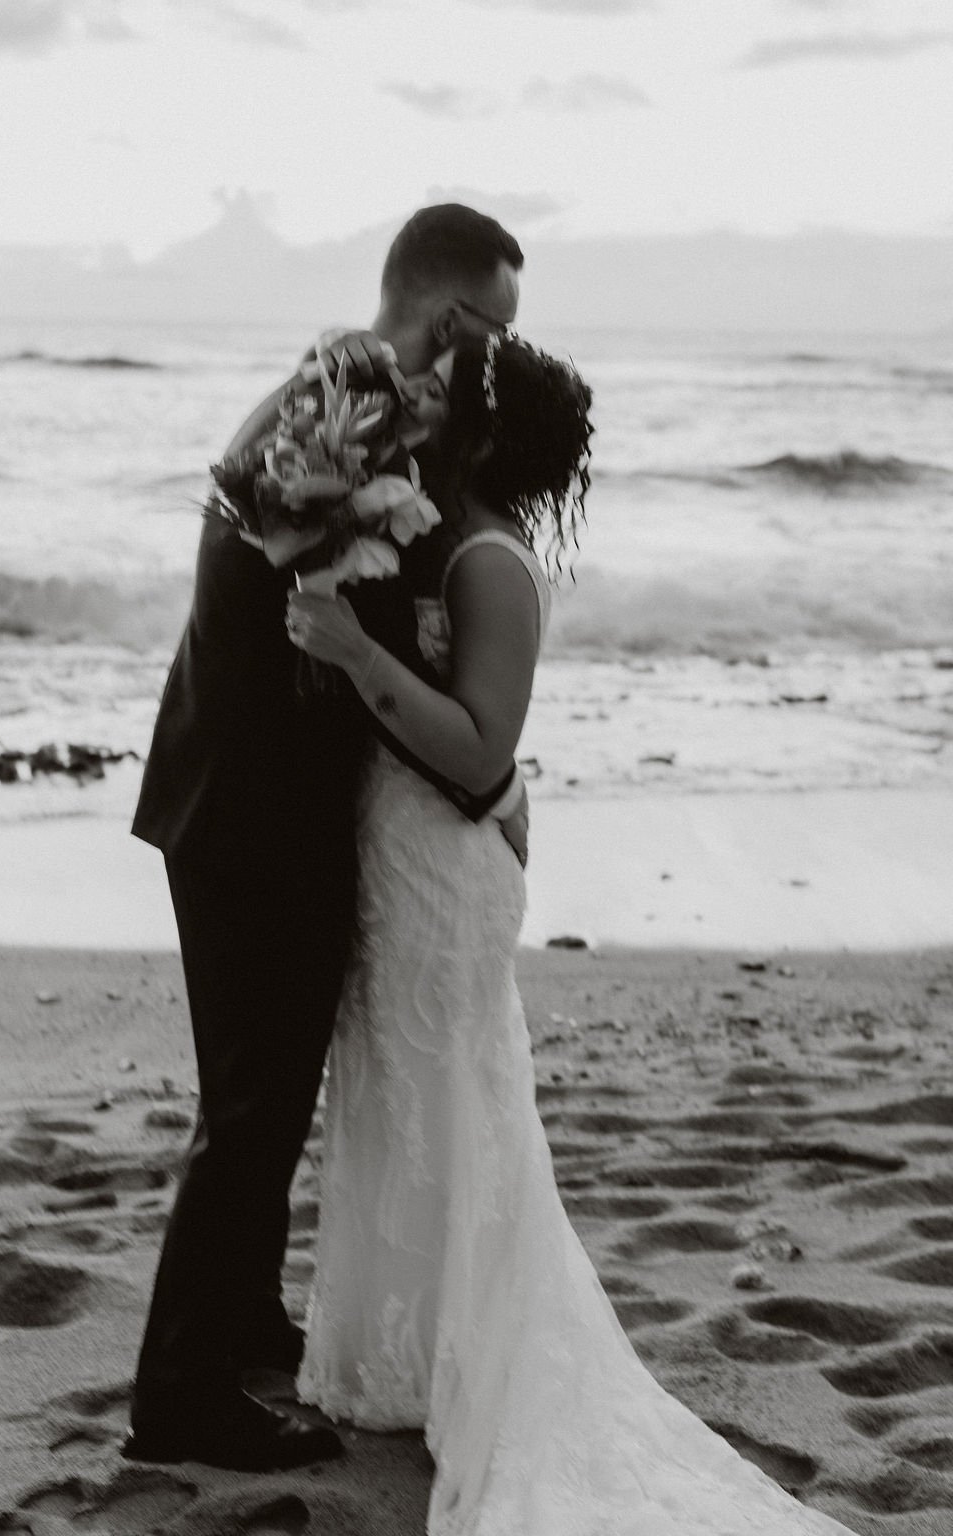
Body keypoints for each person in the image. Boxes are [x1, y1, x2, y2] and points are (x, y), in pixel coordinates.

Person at [285, 332, 861, 1535]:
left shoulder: (493, 566)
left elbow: (482, 750)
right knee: (395, 1093)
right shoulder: (416, 532)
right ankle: (399, 1360)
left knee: (455, 1100)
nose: (418, 399)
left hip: (444, 869)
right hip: (394, 854)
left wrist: (353, 655)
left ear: (484, 435)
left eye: (441, 393)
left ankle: (473, 1364)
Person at [123, 205, 525, 1473]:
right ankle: (180, 1394)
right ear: (453, 320)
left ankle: (238, 1319)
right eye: (497, 331)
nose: (499, 358)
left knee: (266, 1090)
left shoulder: (337, 388)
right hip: (249, 808)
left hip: (243, 794)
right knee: (252, 1103)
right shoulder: (340, 409)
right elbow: (297, 596)